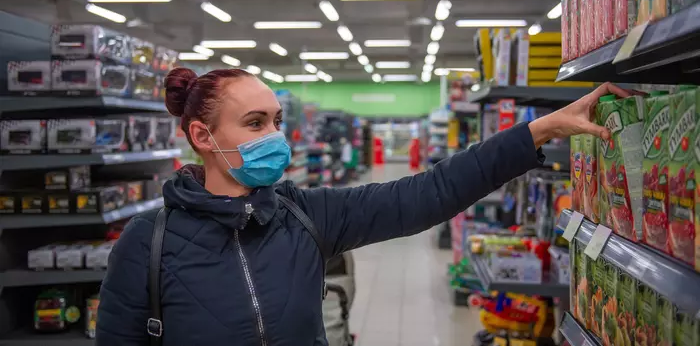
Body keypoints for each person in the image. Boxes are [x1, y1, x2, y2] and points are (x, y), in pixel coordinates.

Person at [96, 67, 630, 346]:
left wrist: (541, 129)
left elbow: (430, 192)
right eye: (256, 124)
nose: (276, 137)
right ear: (202, 136)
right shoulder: (148, 244)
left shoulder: (306, 216)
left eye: (277, 120)